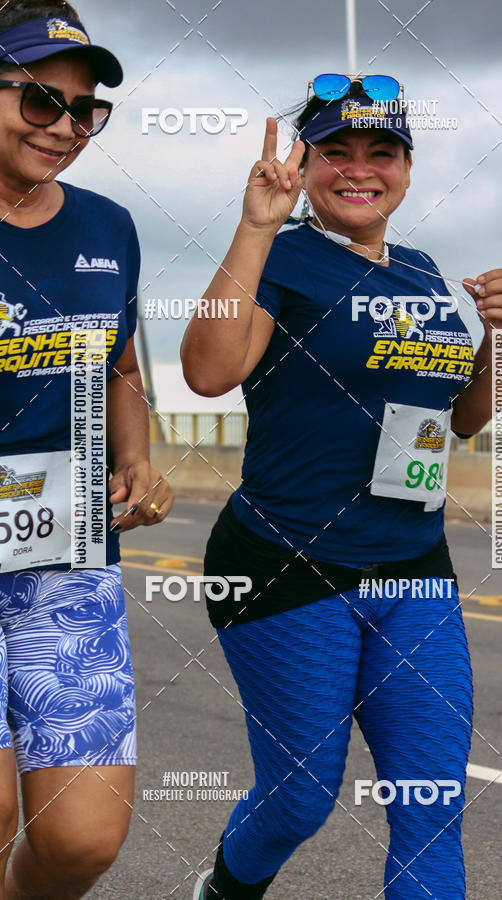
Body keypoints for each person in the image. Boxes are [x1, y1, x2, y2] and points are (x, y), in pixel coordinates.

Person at [182, 74, 502, 900]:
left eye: (383, 152)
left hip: (413, 565)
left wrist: (499, 339)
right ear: (305, 164)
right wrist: (254, 227)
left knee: (431, 805)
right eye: (336, 152)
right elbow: (207, 371)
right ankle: (224, 890)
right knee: (301, 799)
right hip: (286, 564)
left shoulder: (421, 268)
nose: (360, 169)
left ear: (406, 167)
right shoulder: (283, 255)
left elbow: (463, 419)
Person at [0, 2, 173, 897]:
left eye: (84, 109)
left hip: (63, 554)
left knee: (82, 839)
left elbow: (118, 363)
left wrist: (136, 460)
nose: (65, 127)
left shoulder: (109, 229)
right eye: (38, 101)